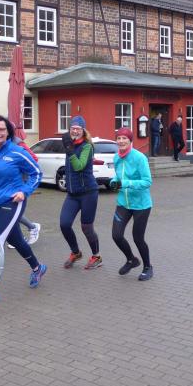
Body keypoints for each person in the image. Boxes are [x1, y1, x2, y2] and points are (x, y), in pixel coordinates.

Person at [0, 115, 46, 307]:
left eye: (1, 129)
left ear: (8, 132)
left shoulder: (17, 152)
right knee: (16, 240)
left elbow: (36, 173)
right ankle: (37, 267)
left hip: (13, 201)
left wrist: (24, 191)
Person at [109, 127, 154, 281]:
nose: (121, 141)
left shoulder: (139, 158)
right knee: (116, 235)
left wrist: (126, 183)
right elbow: (117, 177)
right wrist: (114, 182)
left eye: (124, 138)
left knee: (138, 238)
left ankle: (147, 267)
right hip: (123, 203)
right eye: (118, 138)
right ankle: (131, 260)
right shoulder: (116, 157)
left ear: (130, 140)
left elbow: (147, 181)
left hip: (141, 205)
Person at [59, 115, 103, 270]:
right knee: (64, 224)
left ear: (83, 130)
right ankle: (76, 252)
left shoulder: (87, 147)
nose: (75, 131)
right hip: (72, 194)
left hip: (88, 193)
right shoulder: (69, 145)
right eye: (73, 128)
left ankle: (96, 256)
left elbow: (79, 166)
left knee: (86, 227)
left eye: (78, 129)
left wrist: (70, 151)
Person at [7, 130, 41, 248]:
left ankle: (31, 228)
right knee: (8, 211)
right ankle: (20, 236)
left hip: (20, 182)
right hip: (7, 182)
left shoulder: (18, 143)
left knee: (13, 211)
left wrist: (18, 167)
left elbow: (34, 158)